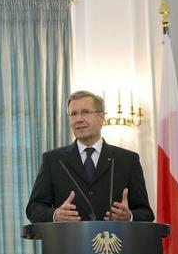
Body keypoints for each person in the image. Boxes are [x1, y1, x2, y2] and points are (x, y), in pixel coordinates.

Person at [26, 90, 154, 222]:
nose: (79, 119)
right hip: (68, 241)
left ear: (101, 117)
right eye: (73, 114)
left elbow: (146, 213)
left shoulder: (127, 160)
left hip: (113, 240)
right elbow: (34, 209)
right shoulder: (53, 160)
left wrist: (129, 216)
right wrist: (56, 215)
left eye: (85, 112)